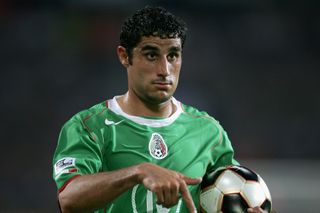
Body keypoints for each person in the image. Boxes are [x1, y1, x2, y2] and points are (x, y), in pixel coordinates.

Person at [52, 6, 267, 213]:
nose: (164, 70)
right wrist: (138, 172)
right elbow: (69, 198)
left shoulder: (209, 132)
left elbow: (230, 194)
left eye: (173, 55)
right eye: (151, 55)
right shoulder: (89, 127)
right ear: (124, 56)